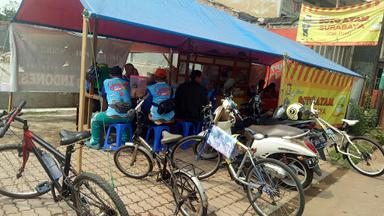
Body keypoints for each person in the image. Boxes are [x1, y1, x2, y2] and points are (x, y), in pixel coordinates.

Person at [86, 66, 133, 149]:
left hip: (112, 116)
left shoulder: (107, 82)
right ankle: (124, 142)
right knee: (125, 122)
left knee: (95, 119)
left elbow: (104, 97)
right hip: (128, 117)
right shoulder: (127, 83)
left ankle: (94, 143)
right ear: (121, 74)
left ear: (110, 74)